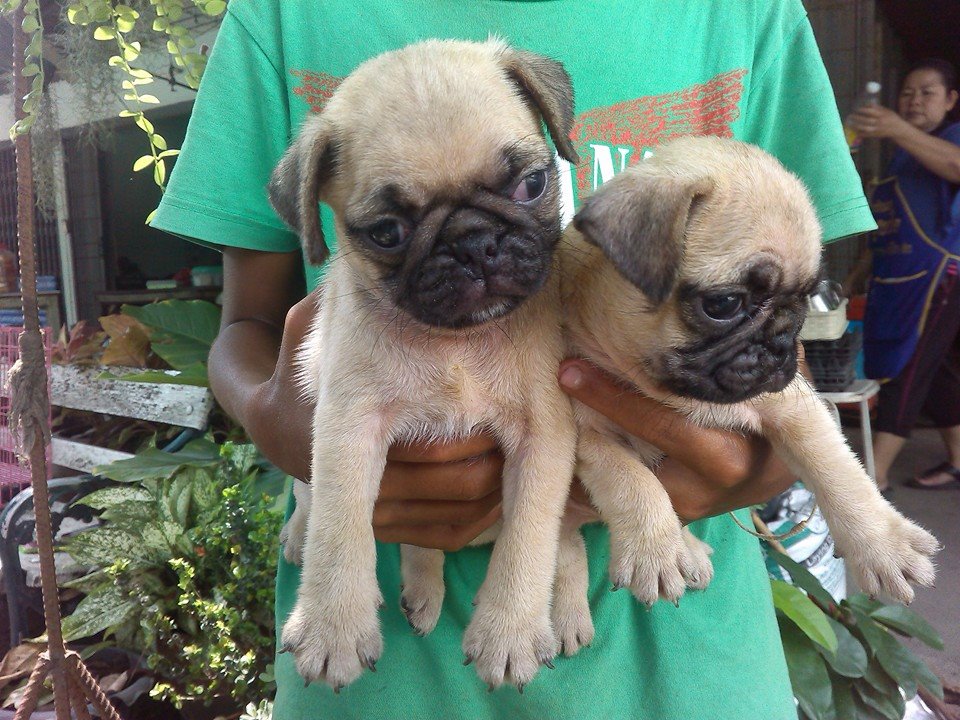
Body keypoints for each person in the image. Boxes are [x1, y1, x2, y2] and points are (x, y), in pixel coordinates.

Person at [151, 2, 876, 718]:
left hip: (690, 657)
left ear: (556, 134)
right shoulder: (279, 16)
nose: (477, 251)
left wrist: (771, 460)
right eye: (391, 231)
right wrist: (272, 421)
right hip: (390, 684)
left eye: (527, 187)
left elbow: (771, 329)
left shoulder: (748, 15)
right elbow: (246, 325)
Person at [845, 58, 960, 494]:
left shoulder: (950, 138)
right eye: (908, 93)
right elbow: (887, 224)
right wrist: (857, 272)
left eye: (927, 93)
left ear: (950, 100)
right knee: (937, 370)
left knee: (908, 366)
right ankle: (959, 461)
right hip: (897, 276)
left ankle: (874, 475)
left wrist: (896, 128)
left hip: (939, 277)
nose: (914, 101)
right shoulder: (902, 155)